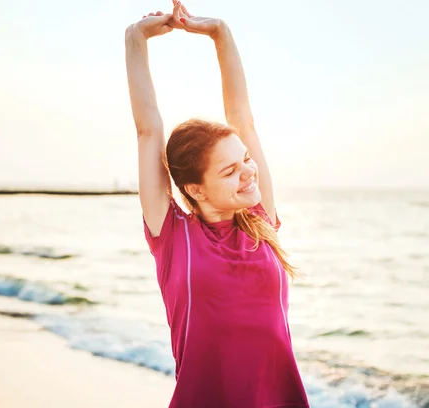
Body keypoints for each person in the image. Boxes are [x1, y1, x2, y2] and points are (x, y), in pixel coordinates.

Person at [125, 1, 310, 407]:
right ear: (195, 189)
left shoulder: (259, 220)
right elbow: (148, 130)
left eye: (245, 158)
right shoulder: (174, 237)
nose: (248, 172)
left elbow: (243, 120)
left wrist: (219, 33)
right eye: (229, 171)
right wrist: (136, 39)